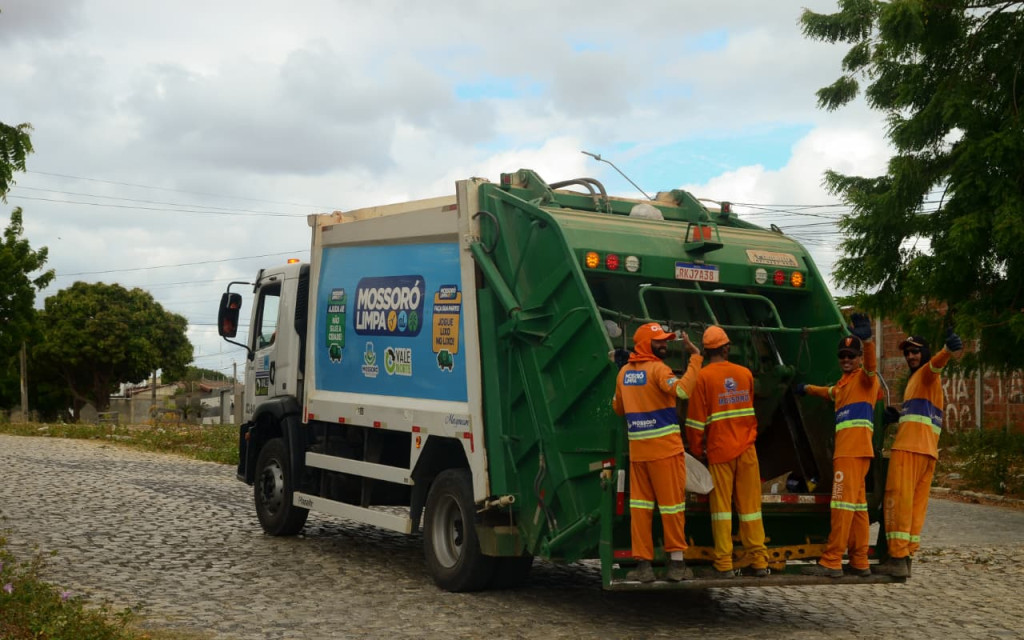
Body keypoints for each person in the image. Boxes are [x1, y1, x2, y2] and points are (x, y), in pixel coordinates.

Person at [612, 322, 702, 582]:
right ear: (644, 344)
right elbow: (683, 390)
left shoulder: (623, 374)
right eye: (659, 341)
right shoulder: (659, 370)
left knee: (641, 509)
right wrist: (695, 360)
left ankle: (643, 567)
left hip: (639, 453)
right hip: (666, 452)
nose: (664, 344)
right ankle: (676, 565)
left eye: (665, 340)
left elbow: (618, 408)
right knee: (672, 507)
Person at [873, 328, 963, 578]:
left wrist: (946, 350)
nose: (910, 356)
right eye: (907, 352)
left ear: (925, 353)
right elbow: (920, 416)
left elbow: (936, 365)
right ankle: (907, 556)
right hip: (927, 452)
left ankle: (897, 557)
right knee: (914, 507)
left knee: (897, 501)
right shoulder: (920, 383)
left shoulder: (925, 374)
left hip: (909, 450)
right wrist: (899, 416)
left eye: (915, 351)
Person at [795, 313, 879, 578]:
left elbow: (871, 368)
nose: (845, 360)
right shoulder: (843, 387)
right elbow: (827, 392)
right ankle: (860, 560)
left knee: (841, 505)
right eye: (842, 356)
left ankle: (832, 561)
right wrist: (806, 388)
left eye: (850, 356)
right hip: (858, 453)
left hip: (851, 453)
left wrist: (867, 342)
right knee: (857, 508)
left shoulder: (866, 379)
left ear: (859, 358)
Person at [685, 326, 769, 578]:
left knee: (721, 509)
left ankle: (724, 563)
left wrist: (697, 450)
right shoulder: (745, 374)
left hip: (720, 451)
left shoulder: (701, 378)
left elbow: (695, 422)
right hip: (747, 450)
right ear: (726, 348)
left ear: (707, 350)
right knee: (751, 507)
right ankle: (759, 559)